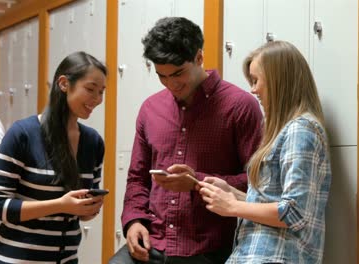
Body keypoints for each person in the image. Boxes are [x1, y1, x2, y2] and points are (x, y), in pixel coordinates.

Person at [109, 17, 263, 264]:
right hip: (153, 243)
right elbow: (137, 178)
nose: (171, 84)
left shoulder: (240, 106)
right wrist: (134, 221)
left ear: (199, 57)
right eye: (162, 76)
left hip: (208, 249)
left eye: (178, 73)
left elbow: (258, 182)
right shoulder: (150, 109)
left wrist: (196, 182)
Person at [198, 41, 332, 263]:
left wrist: (233, 207)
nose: (253, 89)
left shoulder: (301, 130)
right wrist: (233, 193)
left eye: (256, 80)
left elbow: (294, 212)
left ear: (279, 81)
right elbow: (274, 199)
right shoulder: (285, 130)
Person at [0, 51, 107, 263]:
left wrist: (88, 209)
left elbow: (80, 213)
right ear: (64, 84)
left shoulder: (93, 142)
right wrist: (60, 205)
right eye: (91, 89)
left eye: (102, 92)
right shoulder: (23, 134)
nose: (97, 99)